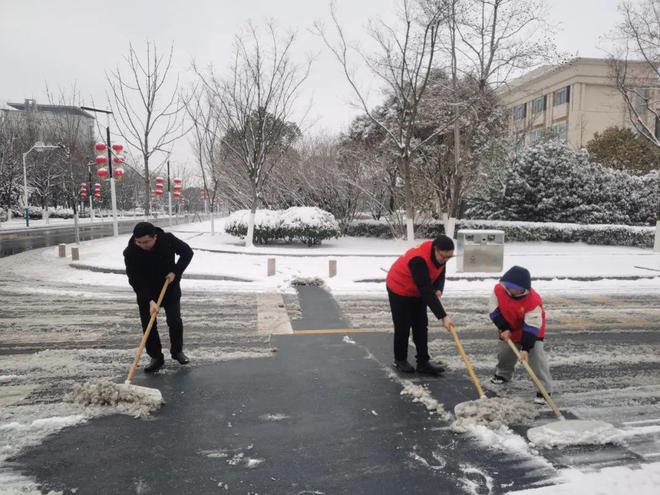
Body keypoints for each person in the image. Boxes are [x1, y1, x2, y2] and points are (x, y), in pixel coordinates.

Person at [124, 221, 194, 373]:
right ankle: (156, 357)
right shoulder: (130, 252)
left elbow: (187, 252)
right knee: (148, 325)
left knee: (174, 321)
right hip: (146, 291)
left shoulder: (167, 240)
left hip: (169, 288)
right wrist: (149, 300)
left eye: (146, 242)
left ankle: (177, 352)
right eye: (139, 242)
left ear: (155, 237)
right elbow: (134, 279)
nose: (143, 245)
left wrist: (176, 271)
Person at [386, 235, 455, 376]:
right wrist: (443, 316)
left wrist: (438, 288)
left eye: (449, 257)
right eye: (444, 257)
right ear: (435, 250)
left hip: (417, 290)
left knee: (421, 325)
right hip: (399, 288)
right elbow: (425, 290)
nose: (446, 260)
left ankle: (423, 362)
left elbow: (440, 272)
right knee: (403, 326)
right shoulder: (419, 259)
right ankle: (400, 360)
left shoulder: (440, 255)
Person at [488, 265, 553, 404]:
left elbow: (532, 325)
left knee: (535, 359)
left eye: (516, 288)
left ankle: (544, 389)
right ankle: (503, 374)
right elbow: (494, 310)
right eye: (509, 287)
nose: (512, 291)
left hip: (532, 330)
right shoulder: (499, 290)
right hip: (508, 328)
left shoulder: (533, 300)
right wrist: (503, 327)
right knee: (504, 353)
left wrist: (525, 348)